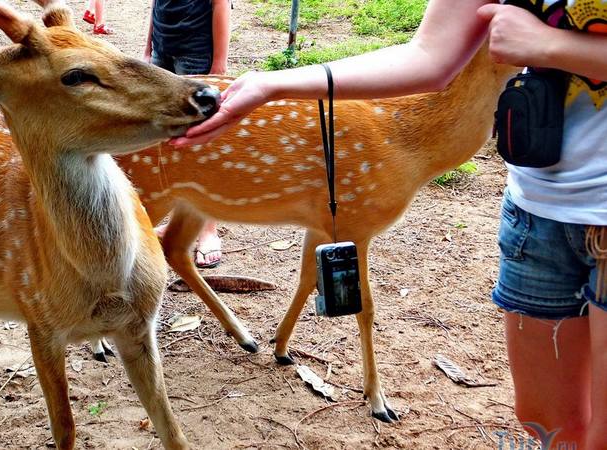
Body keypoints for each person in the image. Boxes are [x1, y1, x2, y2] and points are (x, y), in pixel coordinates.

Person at [172, 1, 607, 448]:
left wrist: (551, 45)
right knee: (544, 421)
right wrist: (271, 84)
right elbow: (428, 56)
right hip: (536, 211)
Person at [144, 0, 231, 268]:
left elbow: (221, 4)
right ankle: (179, 223)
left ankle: (208, 230)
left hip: (196, 55)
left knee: (200, 144)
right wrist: (149, 50)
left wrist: (218, 64)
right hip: (163, 51)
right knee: (168, 142)